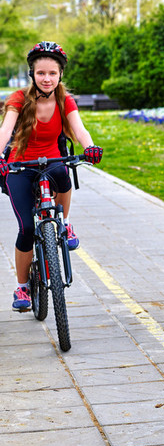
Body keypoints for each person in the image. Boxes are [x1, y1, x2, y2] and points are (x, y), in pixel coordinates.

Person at [0, 42, 103, 312]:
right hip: (20, 164)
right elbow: (5, 130)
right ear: (32, 74)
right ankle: (22, 287)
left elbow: (79, 129)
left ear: (60, 76)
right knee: (26, 229)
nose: (47, 78)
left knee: (64, 176)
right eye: (41, 73)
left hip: (53, 159)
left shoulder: (64, 100)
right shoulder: (18, 99)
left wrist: (89, 147)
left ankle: (65, 223)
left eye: (53, 73)